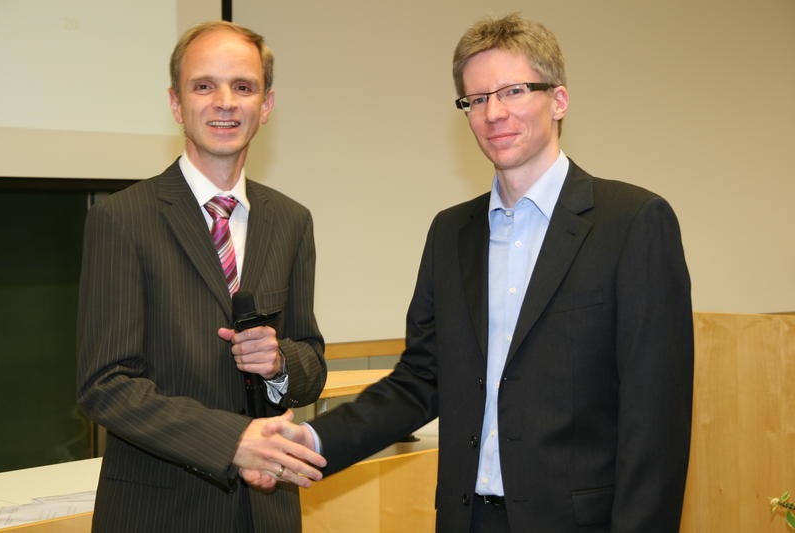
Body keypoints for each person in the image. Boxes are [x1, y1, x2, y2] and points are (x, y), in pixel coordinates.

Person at [261, 13, 694, 533]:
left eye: (513, 91)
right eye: (477, 98)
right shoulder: (451, 233)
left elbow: (656, 417)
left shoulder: (632, 222)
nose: (494, 113)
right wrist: (313, 440)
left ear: (558, 100)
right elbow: (420, 382)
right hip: (467, 519)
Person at [76, 21, 327, 533]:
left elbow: (312, 364)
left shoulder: (291, 220)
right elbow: (105, 385)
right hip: (159, 513)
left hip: (267, 512)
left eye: (243, 86)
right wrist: (232, 442)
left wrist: (280, 362)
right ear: (176, 104)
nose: (225, 102)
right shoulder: (121, 218)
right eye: (204, 85)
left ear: (266, 105)